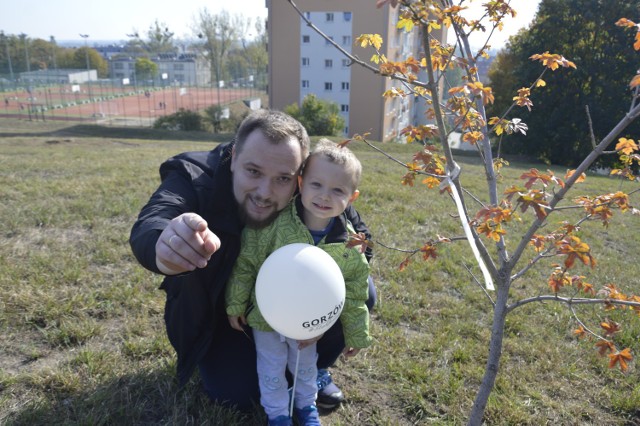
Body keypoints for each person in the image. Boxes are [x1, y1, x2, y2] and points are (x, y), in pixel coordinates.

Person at [129, 109, 376, 411]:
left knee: (365, 290)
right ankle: (270, 369)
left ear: (299, 177)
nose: (264, 192)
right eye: (253, 171)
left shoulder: (315, 186)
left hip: (292, 303)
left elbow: (359, 233)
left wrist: (323, 308)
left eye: (282, 179)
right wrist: (165, 247)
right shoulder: (194, 175)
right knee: (240, 396)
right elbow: (155, 219)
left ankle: (315, 367)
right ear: (233, 158)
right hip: (223, 316)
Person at [225, 140, 372, 426]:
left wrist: (356, 333)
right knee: (270, 367)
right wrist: (235, 302)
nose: (324, 196)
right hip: (267, 317)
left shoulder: (350, 245)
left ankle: (307, 408)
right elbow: (247, 263)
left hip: (309, 324)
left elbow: (354, 291)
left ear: (352, 198)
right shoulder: (275, 224)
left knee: (306, 368)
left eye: (337, 190)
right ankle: (277, 414)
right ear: (301, 183)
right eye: (316, 184)